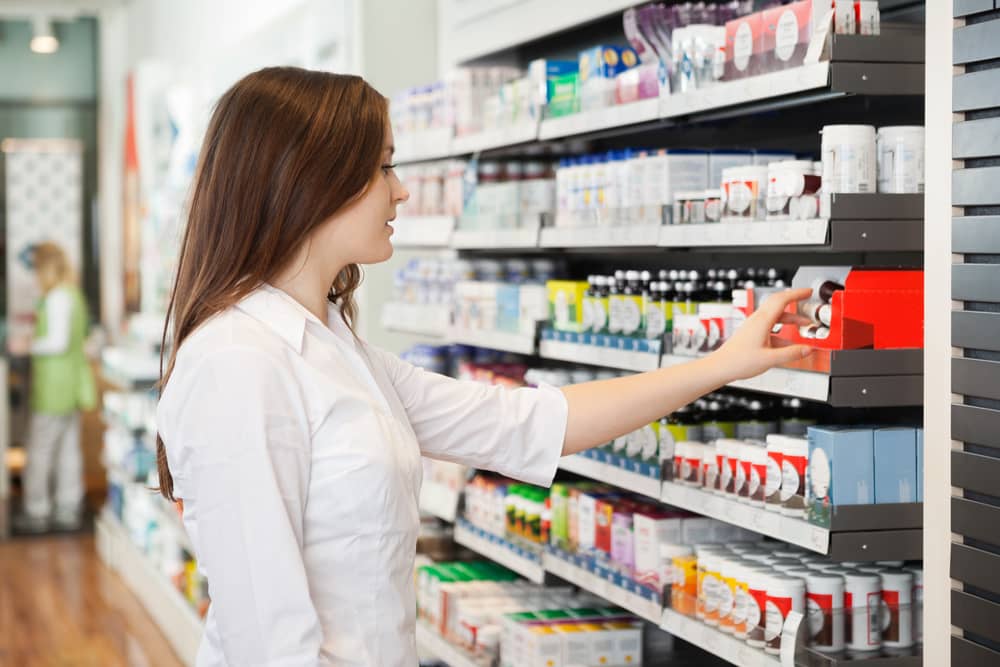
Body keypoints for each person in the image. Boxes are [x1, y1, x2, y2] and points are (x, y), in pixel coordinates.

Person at [156, 67, 814, 666]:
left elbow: (528, 423)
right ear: (311, 179)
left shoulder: (334, 349)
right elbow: (268, 642)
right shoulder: (238, 363)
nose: (403, 189)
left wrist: (723, 362)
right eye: (384, 167)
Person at [12, 242, 96, 533]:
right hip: (71, 385)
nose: (35, 276)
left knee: (40, 450)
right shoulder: (72, 295)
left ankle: (37, 510)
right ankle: (68, 507)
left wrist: (27, 345)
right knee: (68, 449)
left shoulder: (58, 298)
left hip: (54, 387)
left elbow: (57, 342)